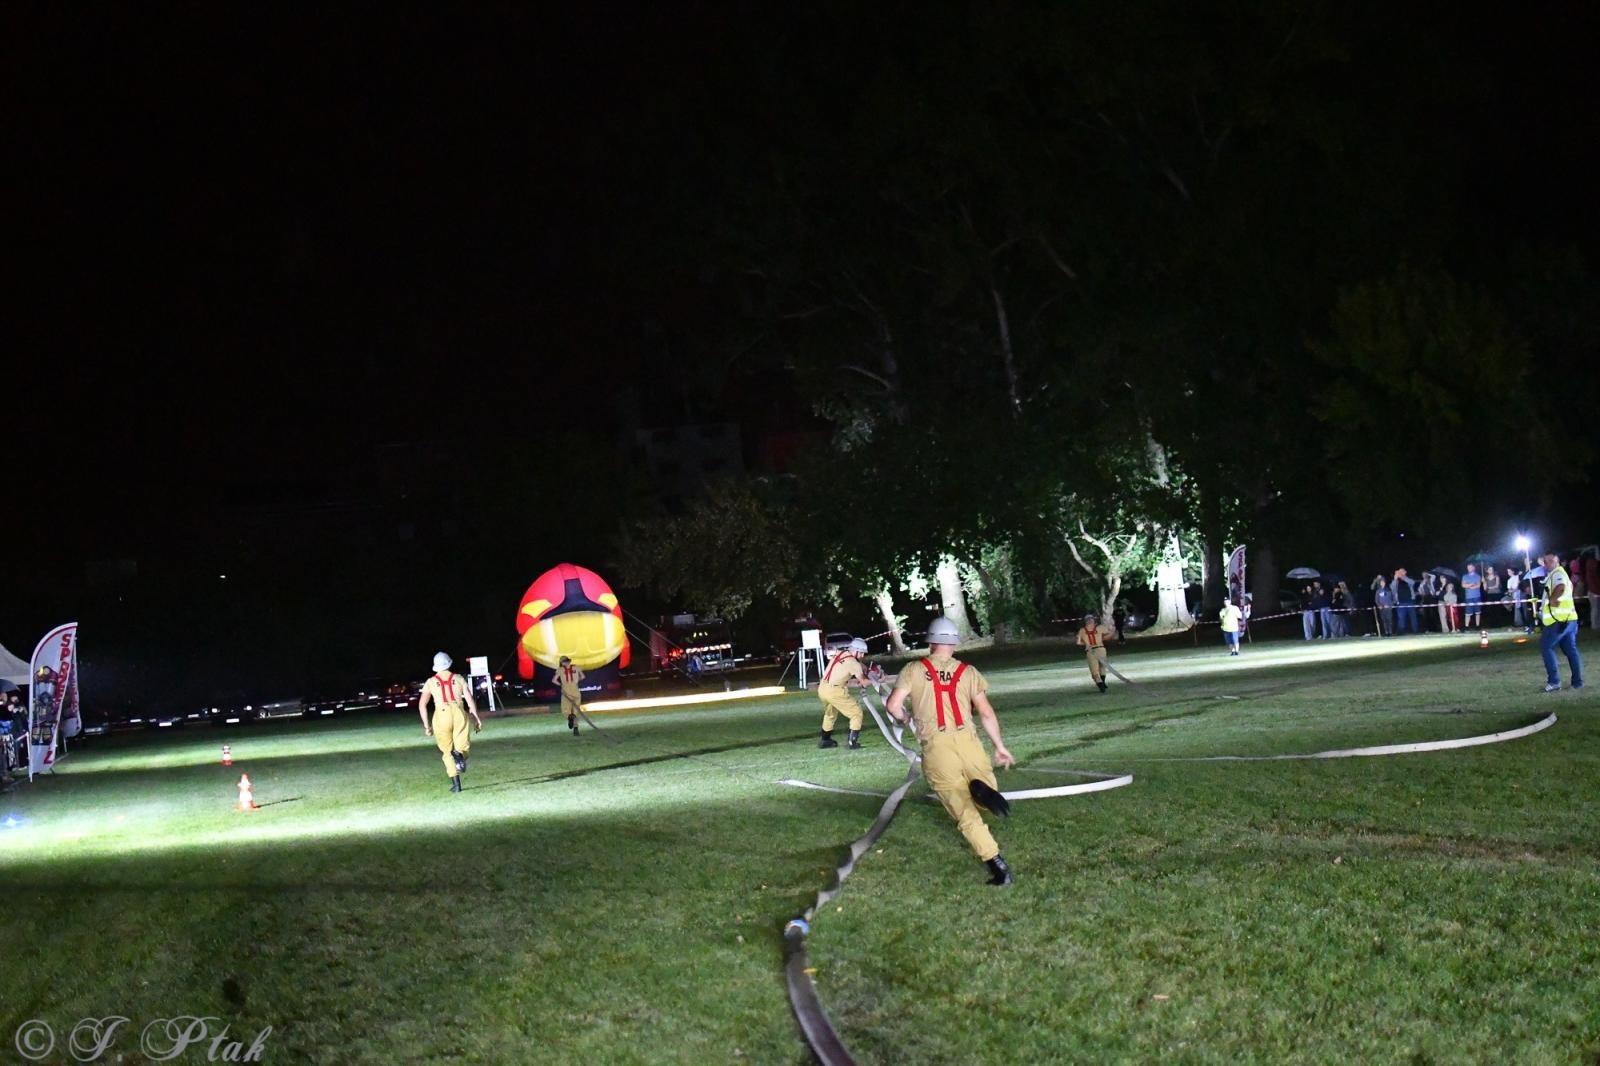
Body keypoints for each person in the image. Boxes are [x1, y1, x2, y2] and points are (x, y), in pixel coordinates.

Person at [885, 615, 1017, 887]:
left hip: (938, 748)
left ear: (931, 643)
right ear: (953, 644)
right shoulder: (968, 672)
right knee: (984, 788)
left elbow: (892, 705)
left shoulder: (913, 670)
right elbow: (986, 712)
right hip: (969, 743)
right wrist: (1000, 747)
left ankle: (999, 867)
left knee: (964, 812)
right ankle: (982, 790)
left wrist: (904, 718)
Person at [418, 652, 483, 793]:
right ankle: (460, 756)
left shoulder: (430, 681)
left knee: (446, 751)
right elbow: (469, 698)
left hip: (441, 714)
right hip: (458, 711)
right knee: (463, 746)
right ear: (449, 663)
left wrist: (426, 726)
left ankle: (456, 785)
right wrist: (476, 717)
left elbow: (422, 705)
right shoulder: (458, 678)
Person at [1535, 552, 1583, 692]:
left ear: (1558, 562)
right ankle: (1577, 683)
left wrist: (1552, 599)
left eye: (1550, 561)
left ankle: (1554, 682)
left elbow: (1560, 586)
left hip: (1558, 621)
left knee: (1546, 647)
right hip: (1570, 620)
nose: (1547, 564)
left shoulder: (1557, 574)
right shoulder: (1558, 574)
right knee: (1571, 651)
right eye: (1545, 561)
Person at [816, 637, 869, 749]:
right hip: (835, 691)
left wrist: (864, 668)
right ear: (855, 650)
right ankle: (852, 742)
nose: (862, 656)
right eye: (862, 653)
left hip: (822, 688)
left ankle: (825, 740)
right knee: (856, 713)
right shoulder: (853, 663)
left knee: (830, 714)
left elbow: (856, 666)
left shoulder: (841, 653)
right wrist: (878, 680)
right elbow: (864, 681)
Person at [1075, 612, 1115, 693]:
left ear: (1085, 621)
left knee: (1094, 670)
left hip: (1090, 651)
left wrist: (1086, 643)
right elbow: (1109, 635)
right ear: (1093, 620)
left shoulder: (1082, 630)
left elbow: (1078, 642)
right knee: (1102, 666)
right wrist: (1101, 639)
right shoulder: (1100, 628)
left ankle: (1100, 685)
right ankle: (1103, 683)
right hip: (1101, 648)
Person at [555, 655, 585, 737]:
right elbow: (583, 676)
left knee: (565, 709)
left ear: (562, 663)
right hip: (576, 691)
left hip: (566, 692)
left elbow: (554, 680)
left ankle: (569, 717)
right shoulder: (576, 667)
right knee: (576, 711)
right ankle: (576, 729)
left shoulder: (560, 670)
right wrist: (575, 681)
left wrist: (561, 684)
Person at [1392, 568, 1419, 634]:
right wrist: (1395, 579)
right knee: (1401, 618)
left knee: (1413, 617)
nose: (1400, 573)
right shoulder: (1397, 581)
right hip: (1401, 603)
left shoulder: (1408, 578)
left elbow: (1412, 582)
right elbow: (1392, 587)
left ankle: (1416, 631)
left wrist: (1403, 577)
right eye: (1399, 572)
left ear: (1405, 572)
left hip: (1410, 601)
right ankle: (1401, 632)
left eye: (1402, 572)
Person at [1461, 564, 1483, 629]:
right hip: (1468, 597)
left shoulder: (1478, 576)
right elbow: (1463, 585)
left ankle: (1477, 626)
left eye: (1470, 567)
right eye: (1468, 567)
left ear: (1474, 568)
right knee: (1468, 612)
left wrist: (1468, 585)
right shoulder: (1465, 576)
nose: (1469, 569)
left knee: (1477, 612)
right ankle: (1466, 626)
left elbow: (1478, 586)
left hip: (1477, 596)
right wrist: (1472, 584)